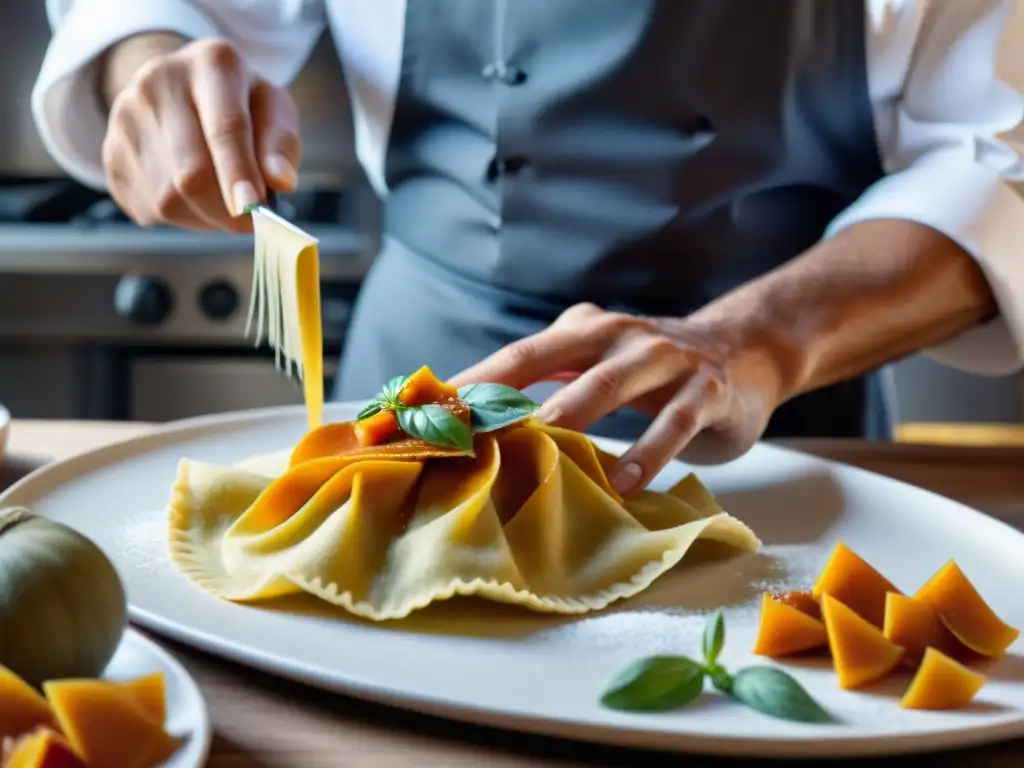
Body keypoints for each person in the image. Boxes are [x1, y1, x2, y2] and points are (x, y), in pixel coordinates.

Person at [32, 0, 1024, 495]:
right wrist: (151, 60)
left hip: (775, 425)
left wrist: (749, 343)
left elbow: (998, 164)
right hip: (427, 386)